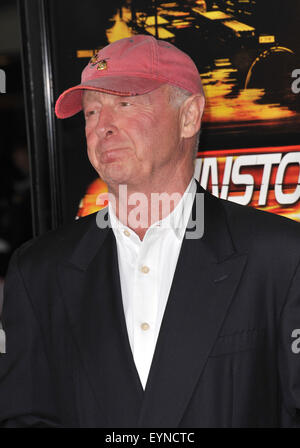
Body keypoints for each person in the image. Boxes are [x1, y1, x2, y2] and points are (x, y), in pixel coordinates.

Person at [0, 34, 300, 428]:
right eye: (91, 112)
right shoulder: (38, 270)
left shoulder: (280, 257)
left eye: (125, 103)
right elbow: (24, 416)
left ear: (189, 116)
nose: (102, 126)